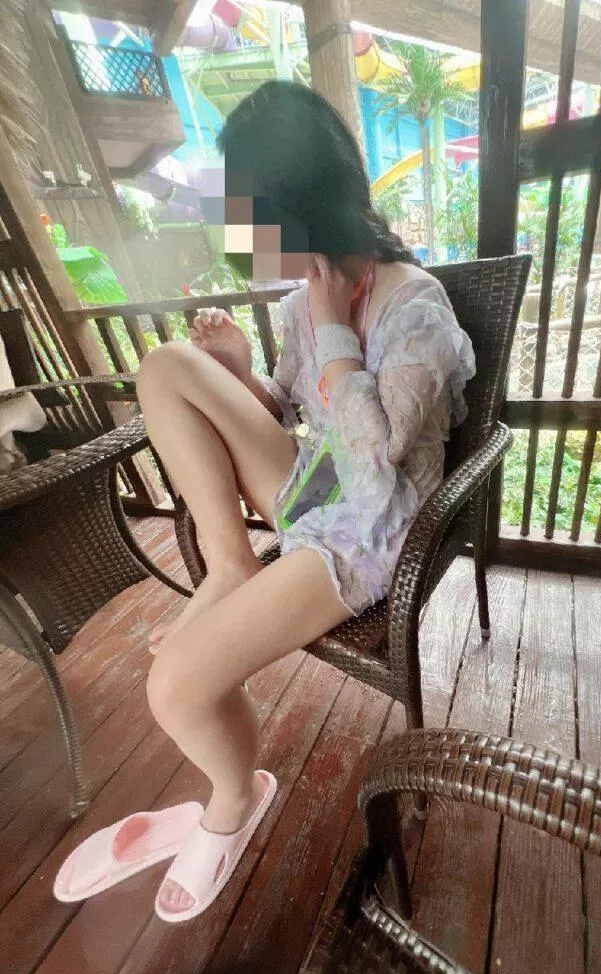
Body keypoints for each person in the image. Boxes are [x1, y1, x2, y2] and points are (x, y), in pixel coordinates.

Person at [131, 81, 475, 921]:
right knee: (168, 367)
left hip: (371, 529)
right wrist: (242, 372)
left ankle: (233, 796)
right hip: (314, 484)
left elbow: (375, 467)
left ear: (301, 204)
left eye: (252, 215)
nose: (244, 237)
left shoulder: (415, 308)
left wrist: (333, 328)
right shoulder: (301, 299)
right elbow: (292, 411)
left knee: (174, 689)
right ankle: (231, 564)